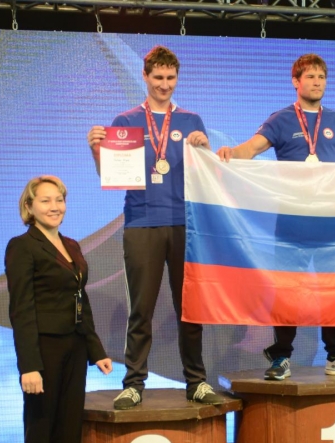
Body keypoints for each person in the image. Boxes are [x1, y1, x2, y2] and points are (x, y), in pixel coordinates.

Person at [217, 53, 335, 381]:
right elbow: (250, 149)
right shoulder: (281, 120)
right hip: (291, 223)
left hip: (331, 223)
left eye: (321, 76)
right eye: (310, 77)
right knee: (287, 292)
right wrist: (230, 153)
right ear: (296, 82)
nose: (317, 82)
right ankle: (280, 358)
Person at [87, 45, 220, 409]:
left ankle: (197, 381)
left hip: (184, 224)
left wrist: (206, 148)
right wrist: (97, 152)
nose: (165, 85)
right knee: (141, 308)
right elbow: (112, 177)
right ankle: (133, 383)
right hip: (142, 222)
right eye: (158, 78)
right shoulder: (127, 121)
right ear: (145, 77)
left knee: (189, 308)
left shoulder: (191, 120)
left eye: (170, 78)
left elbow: (208, 175)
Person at [5, 175, 113, 443]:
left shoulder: (72, 245)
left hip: (74, 350)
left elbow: (80, 301)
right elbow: (21, 310)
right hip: (44, 352)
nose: (55, 207)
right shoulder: (22, 247)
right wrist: (29, 366)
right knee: (41, 436)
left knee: (67, 436)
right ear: (29, 207)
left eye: (60, 200)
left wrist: (95, 350)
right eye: (46, 200)